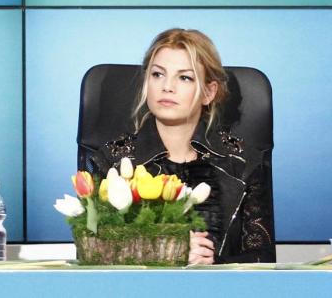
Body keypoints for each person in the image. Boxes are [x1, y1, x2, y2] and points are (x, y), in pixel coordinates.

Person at [81, 28, 275, 264]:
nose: (167, 86)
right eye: (157, 74)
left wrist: (212, 264)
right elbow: (92, 252)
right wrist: (166, 252)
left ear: (208, 92)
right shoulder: (112, 162)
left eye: (184, 78)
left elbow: (262, 259)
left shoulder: (242, 163)